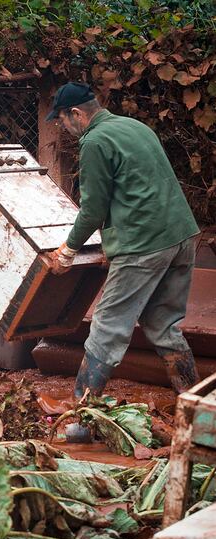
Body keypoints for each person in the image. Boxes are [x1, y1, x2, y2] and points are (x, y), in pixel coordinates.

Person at [46, 82, 200, 396]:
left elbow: (93, 209)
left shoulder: (95, 141)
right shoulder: (135, 127)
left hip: (144, 246)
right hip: (181, 237)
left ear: (76, 114)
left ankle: (81, 418)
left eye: (62, 119)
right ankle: (195, 406)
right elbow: (138, 190)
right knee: (163, 324)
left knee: (107, 327)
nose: (63, 126)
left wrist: (68, 249)